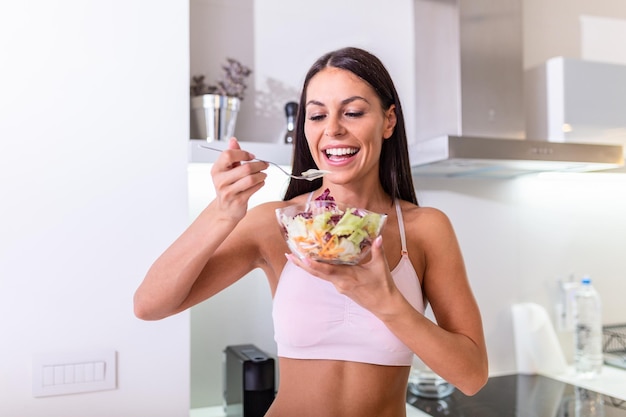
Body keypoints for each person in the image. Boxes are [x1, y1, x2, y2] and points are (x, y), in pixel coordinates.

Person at [134, 46, 488, 416]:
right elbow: (149, 305)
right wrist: (222, 212)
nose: (333, 129)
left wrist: (388, 304)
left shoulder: (425, 229)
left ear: (388, 121)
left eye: (352, 112)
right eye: (317, 115)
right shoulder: (277, 223)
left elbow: (472, 376)